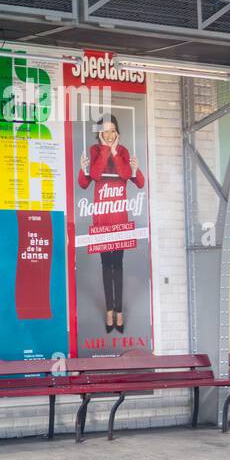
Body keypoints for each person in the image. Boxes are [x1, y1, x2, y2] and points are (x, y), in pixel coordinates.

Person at [78, 114, 145, 334]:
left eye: (112, 130)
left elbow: (128, 175)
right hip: (102, 220)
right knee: (106, 266)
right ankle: (109, 312)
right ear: (99, 133)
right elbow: (95, 175)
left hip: (120, 220)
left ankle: (119, 311)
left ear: (117, 131)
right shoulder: (95, 151)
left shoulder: (123, 151)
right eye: (104, 131)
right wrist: (105, 150)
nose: (109, 134)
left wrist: (116, 152)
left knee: (119, 266)